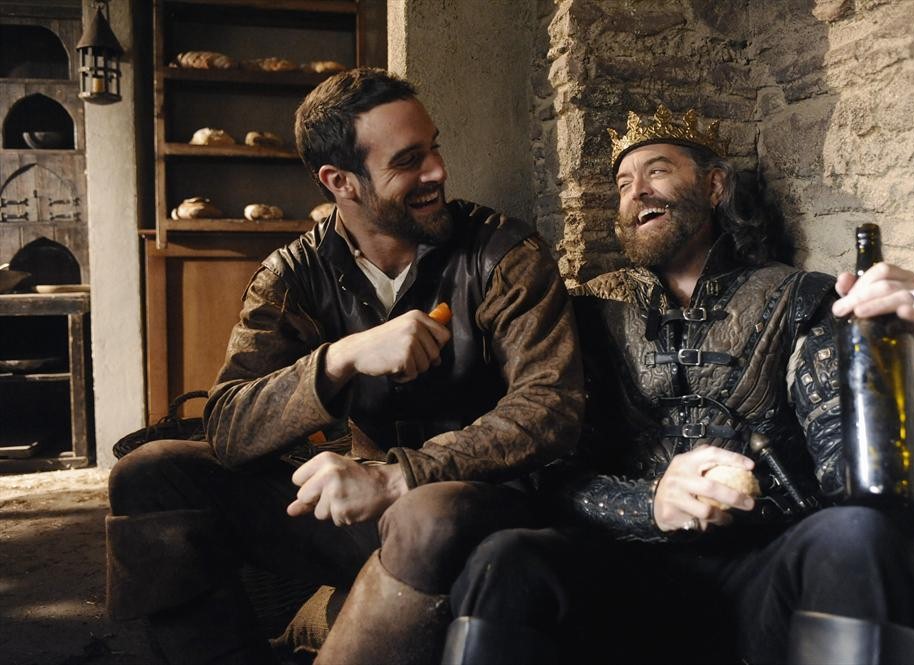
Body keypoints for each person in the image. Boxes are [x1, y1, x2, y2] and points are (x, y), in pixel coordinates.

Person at [104, 68, 584, 665]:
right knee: (150, 473)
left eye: (433, 147)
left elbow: (550, 407)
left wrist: (398, 476)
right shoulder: (293, 274)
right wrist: (340, 358)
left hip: (478, 509)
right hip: (357, 511)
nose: (437, 170)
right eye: (408, 161)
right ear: (340, 181)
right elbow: (227, 425)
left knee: (425, 513)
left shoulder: (503, 254)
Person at [444, 105, 914, 664]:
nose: (637, 192)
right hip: (621, 579)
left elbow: (854, 480)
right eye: (623, 184)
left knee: (855, 536)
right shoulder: (585, 313)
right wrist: (649, 504)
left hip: (763, 571)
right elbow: (551, 476)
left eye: (657, 171)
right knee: (506, 558)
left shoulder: (800, 297)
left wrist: (894, 364)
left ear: (714, 186)